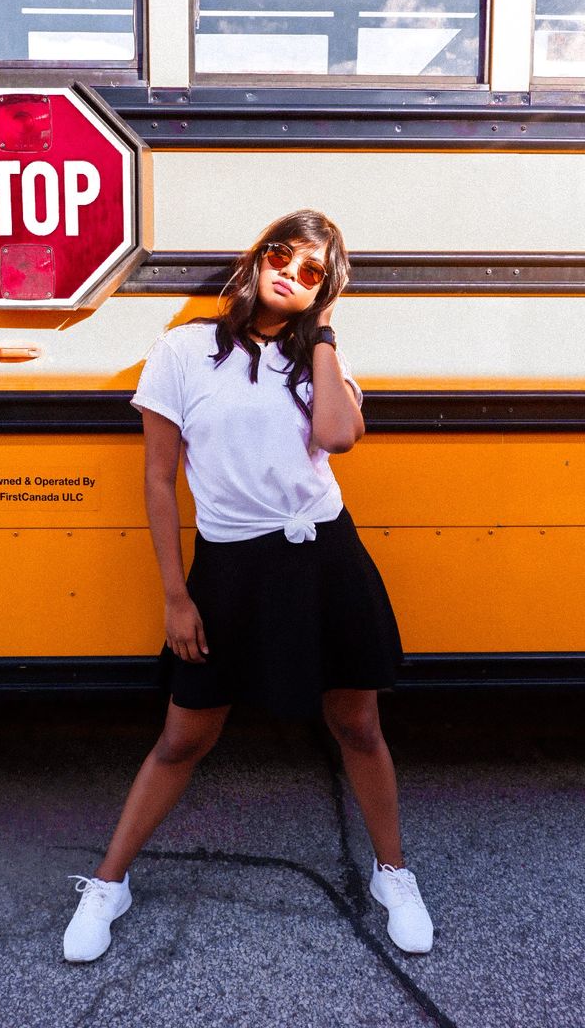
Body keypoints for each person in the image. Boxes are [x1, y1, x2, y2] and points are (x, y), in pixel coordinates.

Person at [63, 209, 434, 961]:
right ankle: (109, 882)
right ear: (259, 254)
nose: (289, 276)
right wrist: (176, 595)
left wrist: (323, 330)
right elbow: (160, 481)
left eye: (310, 274)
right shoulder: (185, 349)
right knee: (184, 735)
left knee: (358, 723)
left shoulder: (321, 359)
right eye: (282, 257)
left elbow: (336, 437)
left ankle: (393, 871)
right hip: (230, 570)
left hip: (326, 558)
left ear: (324, 291)